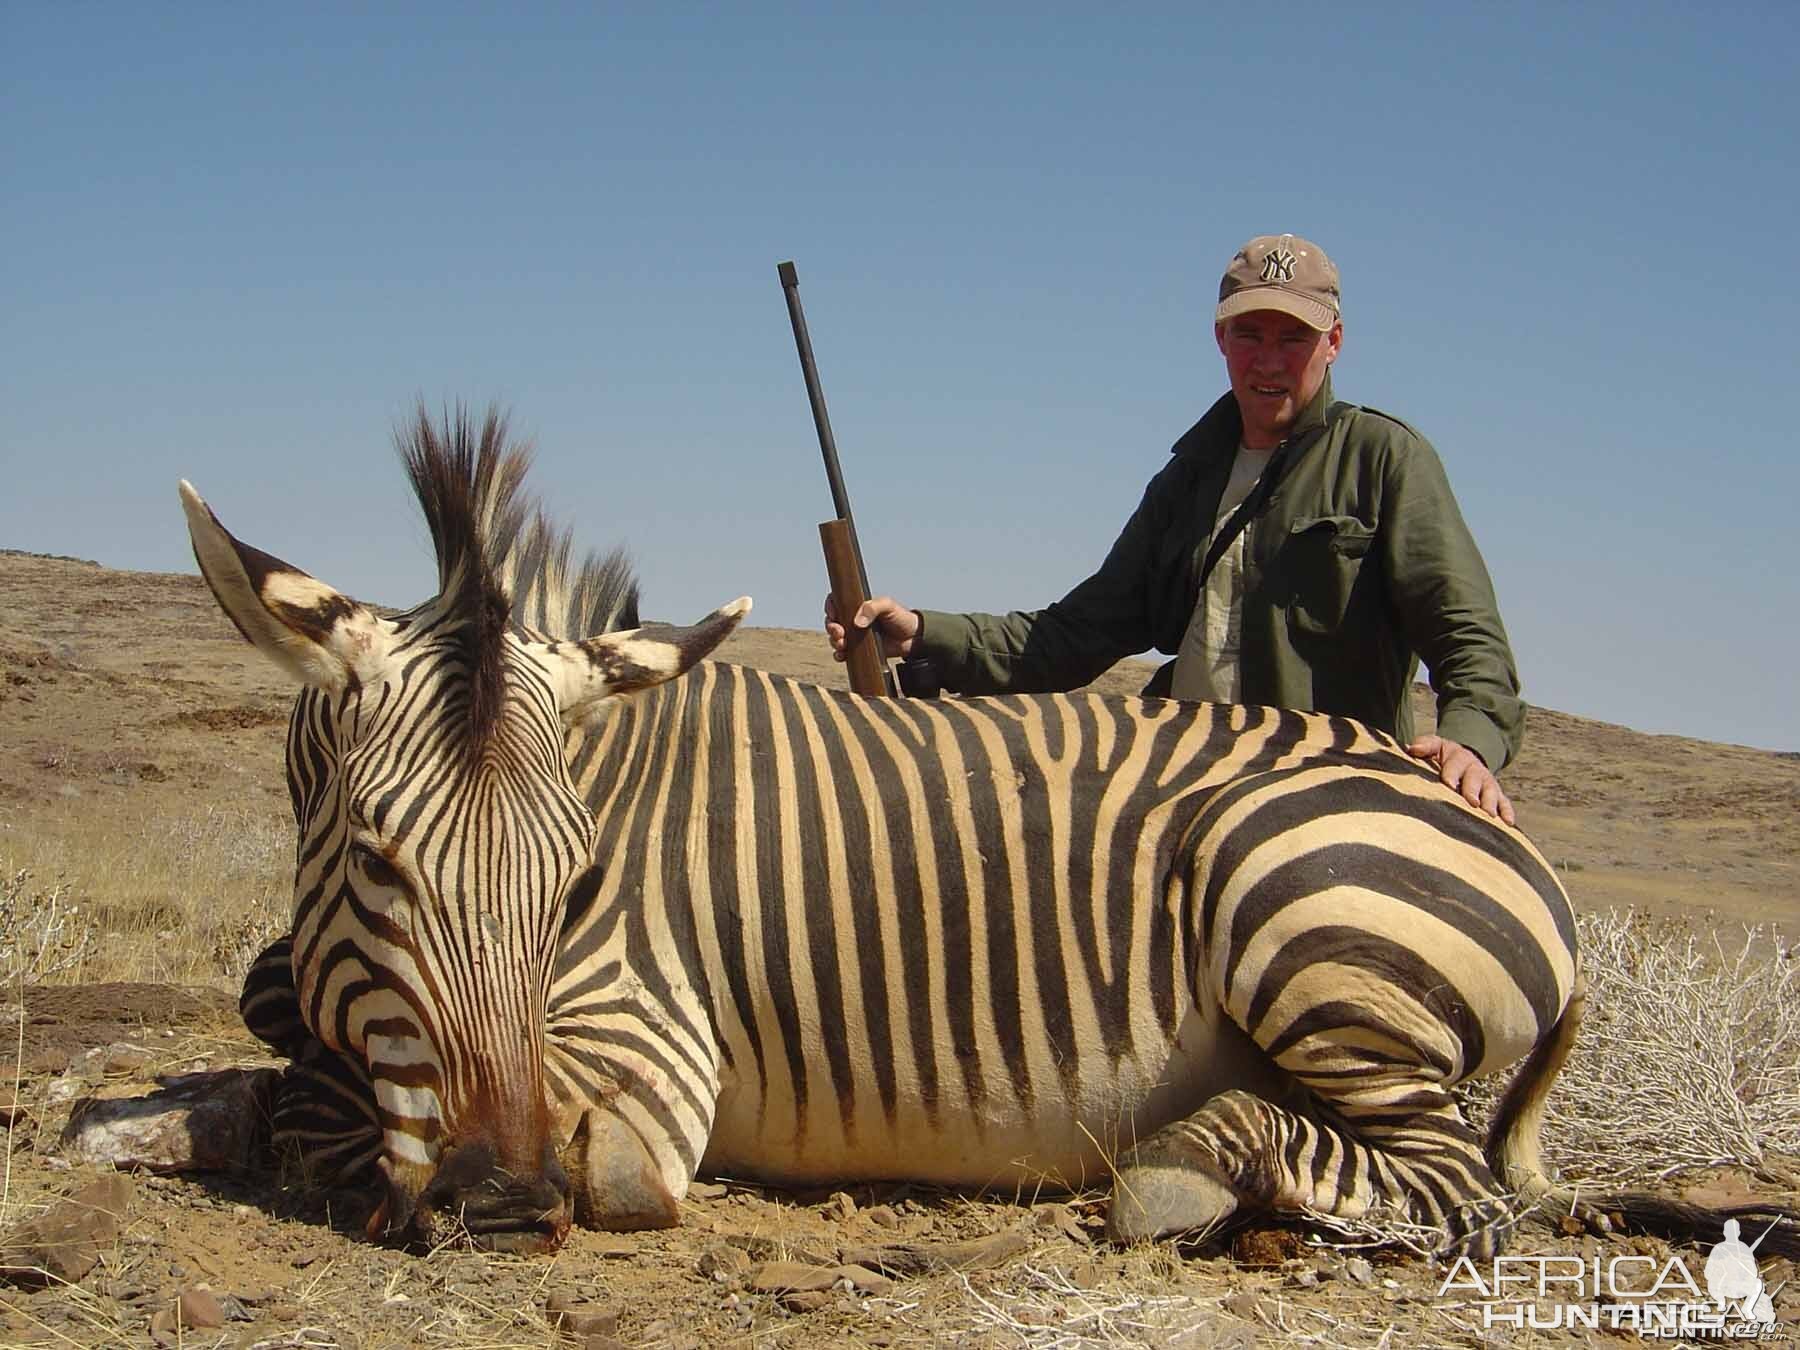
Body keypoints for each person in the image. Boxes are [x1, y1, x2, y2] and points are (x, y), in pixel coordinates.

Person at [825, 233, 1524, 823]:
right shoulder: (1188, 477)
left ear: (1334, 342)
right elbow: (1070, 638)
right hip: (1187, 800)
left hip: (1325, 810)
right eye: (1250, 333)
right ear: (1220, 337)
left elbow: (1471, 642)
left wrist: (1468, 742)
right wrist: (922, 631)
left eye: (1295, 337)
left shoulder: (1384, 459)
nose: (1270, 359)